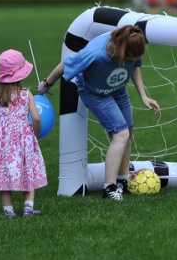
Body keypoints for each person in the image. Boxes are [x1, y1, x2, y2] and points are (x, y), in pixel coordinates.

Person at [37, 25, 160, 201]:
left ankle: (123, 180)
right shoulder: (94, 54)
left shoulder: (132, 42)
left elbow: (135, 67)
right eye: (130, 59)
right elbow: (66, 64)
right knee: (121, 134)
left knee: (128, 131)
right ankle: (109, 189)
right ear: (121, 52)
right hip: (94, 93)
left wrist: (143, 95)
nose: (133, 62)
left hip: (118, 89)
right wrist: (46, 83)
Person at [0, 49, 48, 218]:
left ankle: (9, 211)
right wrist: (35, 135)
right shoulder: (26, 94)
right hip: (24, 139)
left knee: (3, 174)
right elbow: (36, 118)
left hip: (2, 141)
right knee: (28, 170)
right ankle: (28, 208)